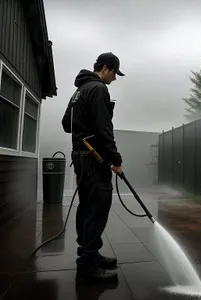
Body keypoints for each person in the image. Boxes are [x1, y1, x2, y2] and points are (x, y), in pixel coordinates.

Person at [61, 52, 125, 282]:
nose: (115, 78)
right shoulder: (98, 89)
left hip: (80, 156)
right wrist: (115, 159)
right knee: (97, 207)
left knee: (87, 206)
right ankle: (87, 266)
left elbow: (66, 124)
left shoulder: (79, 90)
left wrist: (82, 125)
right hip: (93, 157)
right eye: (115, 73)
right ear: (106, 68)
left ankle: (90, 255)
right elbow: (104, 128)